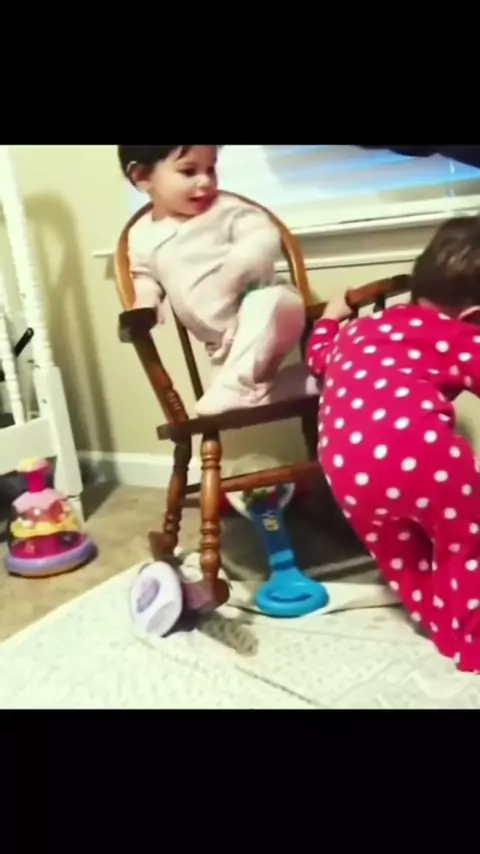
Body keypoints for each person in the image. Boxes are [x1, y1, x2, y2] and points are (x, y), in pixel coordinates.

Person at [305, 216, 480, 674]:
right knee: (466, 544)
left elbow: (317, 358)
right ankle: (474, 641)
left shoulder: (359, 331)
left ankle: (443, 629)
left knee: (403, 561)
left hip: (344, 468)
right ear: (474, 317)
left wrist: (329, 318)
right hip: (423, 458)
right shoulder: (459, 334)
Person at [117, 145, 309, 416]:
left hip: (270, 313)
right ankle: (310, 381)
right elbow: (145, 278)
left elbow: (262, 234)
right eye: (189, 171)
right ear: (142, 176)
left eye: (210, 169)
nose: (206, 181)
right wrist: (145, 306)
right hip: (222, 347)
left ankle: (236, 385)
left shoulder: (226, 209)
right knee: (234, 396)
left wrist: (242, 262)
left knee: (269, 300)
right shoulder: (141, 235)